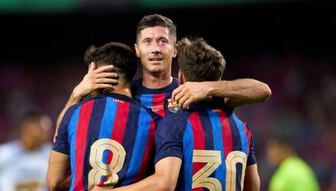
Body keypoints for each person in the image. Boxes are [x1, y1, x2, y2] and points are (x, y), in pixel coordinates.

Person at [86, 37, 261, 191]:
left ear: (181, 78)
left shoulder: (174, 124)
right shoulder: (241, 128)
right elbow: (252, 189)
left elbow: (164, 183)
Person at [53, 14, 271, 141]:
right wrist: (77, 93)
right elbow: (60, 141)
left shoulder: (191, 93)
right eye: (148, 42)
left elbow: (262, 90)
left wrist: (209, 88)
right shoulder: (126, 96)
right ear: (137, 50)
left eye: (162, 41)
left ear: (175, 49)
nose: (155, 49)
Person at [47, 42, 161, 191]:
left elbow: (55, 181)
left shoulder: (74, 113)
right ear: (131, 75)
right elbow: (162, 180)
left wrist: (76, 94)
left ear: (95, 73)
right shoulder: (154, 121)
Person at [256, 136, 320, 191]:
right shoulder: (304, 169)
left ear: (282, 149)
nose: (270, 154)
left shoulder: (286, 170)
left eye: (272, 149)